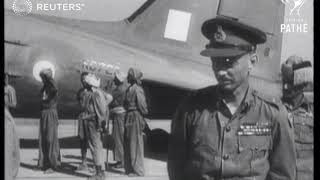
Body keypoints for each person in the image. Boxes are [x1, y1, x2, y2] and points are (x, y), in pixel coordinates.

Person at [167, 17, 296, 180]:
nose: (220, 72)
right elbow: (176, 170)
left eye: (229, 62)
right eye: (215, 61)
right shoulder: (191, 110)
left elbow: (282, 175)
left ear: (252, 61)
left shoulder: (273, 115)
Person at [281, 55, 313, 180]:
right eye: (284, 81)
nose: (285, 87)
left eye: (290, 83)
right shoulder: (273, 110)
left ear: (303, 85)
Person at [79, 73, 112, 180]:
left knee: (95, 147)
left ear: (89, 84)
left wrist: (94, 116)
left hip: (93, 123)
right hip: (94, 122)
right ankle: (100, 171)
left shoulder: (95, 94)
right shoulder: (98, 92)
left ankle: (99, 173)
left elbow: (101, 110)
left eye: (86, 82)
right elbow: (108, 99)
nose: (85, 83)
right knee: (97, 147)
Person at [123, 68, 148, 177]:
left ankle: (138, 170)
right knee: (130, 142)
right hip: (130, 115)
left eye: (129, 76)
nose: (127, 78)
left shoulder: (136, 89)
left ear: (132, 78)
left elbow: (142, 106)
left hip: (134, 116)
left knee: (136, 143)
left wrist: (142, 114)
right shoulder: (130, 89)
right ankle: (131, 168)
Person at [37, 68, 61, 174]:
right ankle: (45, 163)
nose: (41, 79)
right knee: (43, 139)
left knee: (50, 139)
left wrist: (49, 78)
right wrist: (45, 83)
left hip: (50, 113)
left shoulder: (52, 87)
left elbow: (55, 88)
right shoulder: (45, 87)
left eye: (43, 77)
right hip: (44, 113)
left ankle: (53, 165)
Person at [109, 71, 129, 168]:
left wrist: (108, 87)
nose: (114, 80)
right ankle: (122, 160)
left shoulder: (119, 90)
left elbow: (109, 97)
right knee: (121, 137)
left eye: (115, 79)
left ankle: (120, 161)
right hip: (122, 115)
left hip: (118, 115)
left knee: (118, 137)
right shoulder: (124, 88)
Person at [5, 72, 20, 180]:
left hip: (6, 117)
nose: (6, 79)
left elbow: (14, 104)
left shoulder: (10, 89)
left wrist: (5, 101)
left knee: (9, 145)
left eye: (7, 78)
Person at [76, 72, 91, 171]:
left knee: (93, 141)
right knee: (82, 140)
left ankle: (96, 164)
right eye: (82, 79)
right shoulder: (80, 92)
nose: (83, 81)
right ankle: (84, 162)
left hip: (91, 117)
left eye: (85, 79)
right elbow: (79, 103)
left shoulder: (94, 91)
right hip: (82, 117)